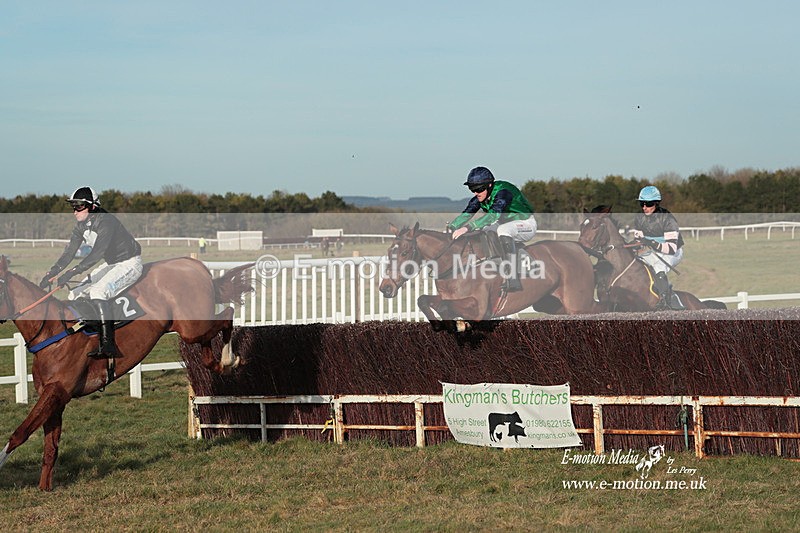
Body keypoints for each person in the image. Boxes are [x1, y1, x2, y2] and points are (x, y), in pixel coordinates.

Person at [39, 186, 143, 358]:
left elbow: (97, 254)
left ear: (92, 206)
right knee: (75, 293)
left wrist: (72, 272)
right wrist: (52, 272)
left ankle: (108, 344)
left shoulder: (106, 221)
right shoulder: (80, 226)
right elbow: (69, 252)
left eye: (79, 206)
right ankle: (84, 338)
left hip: (129, 263)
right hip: (112, 264)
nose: (75, 211)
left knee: (97, 291)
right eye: (73, 207)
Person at [447, 166, 537, 291]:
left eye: (478, 189)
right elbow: (467, 213)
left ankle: (513, 278)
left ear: (489, 185)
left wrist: (467, 228)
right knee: (484, 231)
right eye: (472, 189)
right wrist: (452, 227)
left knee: (502, 230)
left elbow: (494, 215)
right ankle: (494, 264)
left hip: (526, 223)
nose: (475, 193)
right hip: (506, 224)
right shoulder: (481, 197)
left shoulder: (503, 192)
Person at [631, 185, 685, 310]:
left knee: (659, 266)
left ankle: (665, 300)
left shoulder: (668, 218)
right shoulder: (639, 217)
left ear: (656, 203)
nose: (644, 207)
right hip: (653, 251)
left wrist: (652, 243)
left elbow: (671, 248)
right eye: (642, 203)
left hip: (674, 252)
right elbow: (638, 241)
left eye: (648, 204)